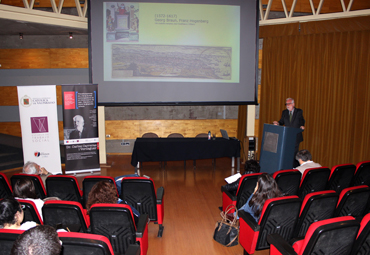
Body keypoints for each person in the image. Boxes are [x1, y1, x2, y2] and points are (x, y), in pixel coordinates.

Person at [273, 98, 305, 167]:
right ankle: (287, 167)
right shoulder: (284, 112)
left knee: (294, 153)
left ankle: (295, 167)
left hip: (296, 136)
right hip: (287, 136)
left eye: (289, 103)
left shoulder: (298, 111)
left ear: (293, 104)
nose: (287, 105)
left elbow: (301, 120)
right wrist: (278, 123)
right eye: (286, 104)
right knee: (288, 153)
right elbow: (282, 121)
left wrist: (302, 125)